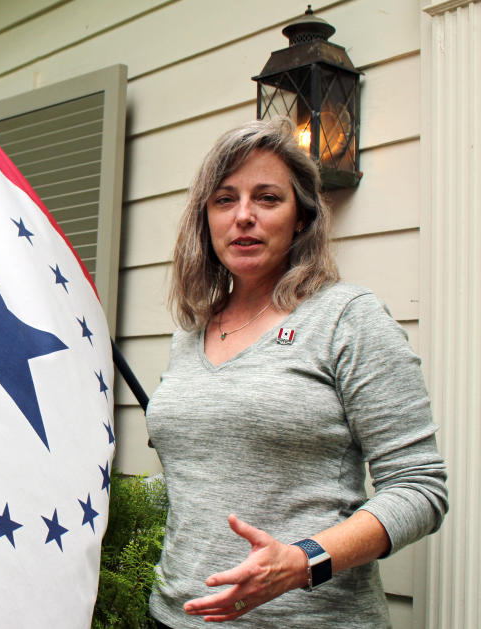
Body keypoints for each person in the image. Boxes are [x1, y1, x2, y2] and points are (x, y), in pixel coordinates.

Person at [145, 119, 448, 628]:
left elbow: (420, 488)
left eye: (267, 198)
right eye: (225, 199)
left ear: (302, 218)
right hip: (174, 616)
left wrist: (302, 560)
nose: (244, 216)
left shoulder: (346, 318)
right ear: (206, 218)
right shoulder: (191, 333)